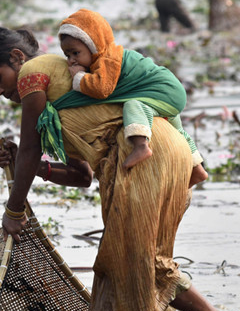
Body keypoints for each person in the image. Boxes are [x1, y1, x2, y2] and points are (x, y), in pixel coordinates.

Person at [0, 27, 227, 311]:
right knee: (138, 260)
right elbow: (82, 176)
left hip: (145, 159)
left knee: (134, 261)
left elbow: (28, 149)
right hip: (171, 154)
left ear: (17, 58)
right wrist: (38, 168)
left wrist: (13, 212)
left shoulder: (33, 74)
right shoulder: (60, 86)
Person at [58, 9, 207, 183]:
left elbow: (101, 89)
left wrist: (78, 77)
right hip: (172, 91)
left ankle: (141, 146)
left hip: (161, 90)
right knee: (177, 129)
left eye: (76, 53)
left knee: (133, 105)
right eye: (67, 55)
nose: (71, 60)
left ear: (94, 45)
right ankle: (197, 169)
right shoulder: (105, 58)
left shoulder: (108, 60)